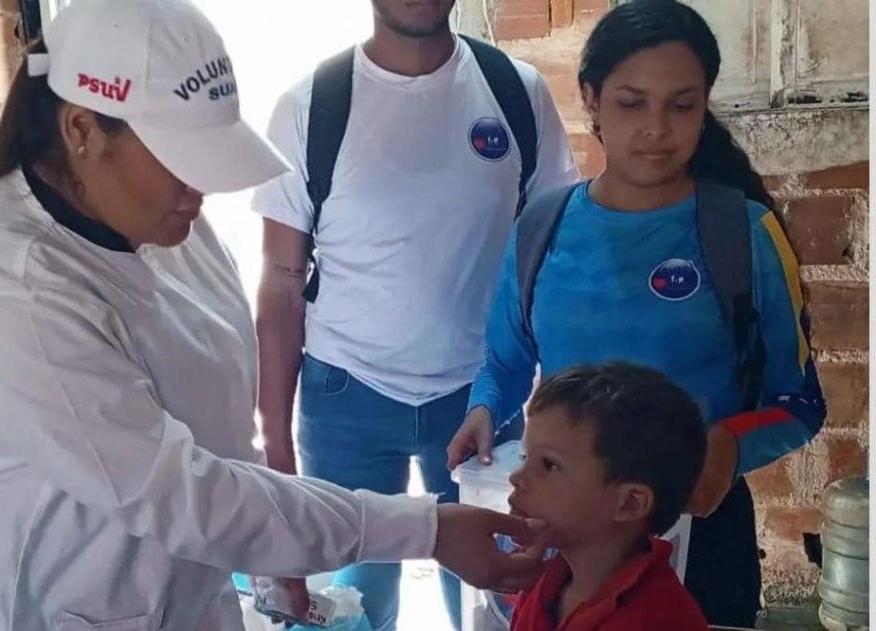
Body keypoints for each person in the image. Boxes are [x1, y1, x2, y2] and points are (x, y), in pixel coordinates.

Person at [0, 1, 551, 629]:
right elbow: (185, 497)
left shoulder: (168, 224)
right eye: (180, 160)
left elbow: (220, 437)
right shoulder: (13, 296)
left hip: (169, 596)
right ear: (82, 130)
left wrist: (276, 550)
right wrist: (426, 529)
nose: (197, 188)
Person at [448, 1, 827, 627]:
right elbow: (505, 361)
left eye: (682, 105)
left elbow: (801, 403)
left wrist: (728, 445)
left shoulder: (743, 234)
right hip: (567, 542)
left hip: (702, 534)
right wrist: (484, 408)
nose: (656, 128)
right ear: (592, 99)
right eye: (631, 103)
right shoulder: (542, 228)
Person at [251, 1, 579, 628]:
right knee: (351, 606)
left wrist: (549, 413)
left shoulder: (516, 93)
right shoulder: (311, 106)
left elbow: (555, 261)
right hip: (346, 395)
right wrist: (275, 446)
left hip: (483, 398)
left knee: (494, 605)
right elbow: (282, 282)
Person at [506, 363, 710, 631]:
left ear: (630, 503)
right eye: (524, 457)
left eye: (549, 465)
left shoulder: (655, 620)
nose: (516, 478)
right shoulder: (547, 582)